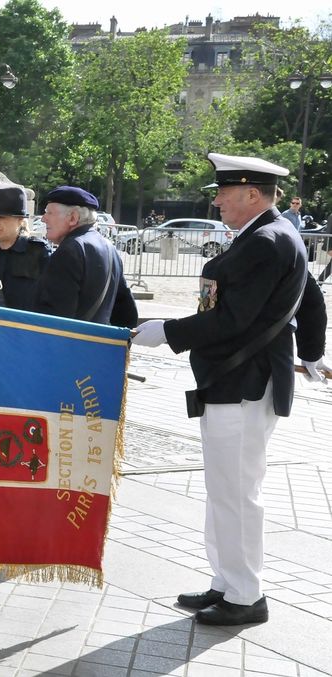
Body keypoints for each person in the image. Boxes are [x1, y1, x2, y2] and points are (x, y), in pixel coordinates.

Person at [132, 152, 329, 626]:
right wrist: (311, 352)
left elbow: (232, 318)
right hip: (237, 381)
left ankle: (246, 595)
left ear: (252, 195)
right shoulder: (270, 236)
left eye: (223, 192)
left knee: (237, 492)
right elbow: (314, 298)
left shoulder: (265, 241)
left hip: (245, 383)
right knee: (225, 489)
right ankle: (226, 581)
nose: (217, 200)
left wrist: (167, 332)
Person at [32, 186, 137, 327]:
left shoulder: (69, 251)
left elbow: (56, 318)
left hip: (71, 346)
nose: (43, 219)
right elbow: (126, 312)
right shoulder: (109, 247)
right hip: (97, 345)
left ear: (73, 218)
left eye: (49, 213)